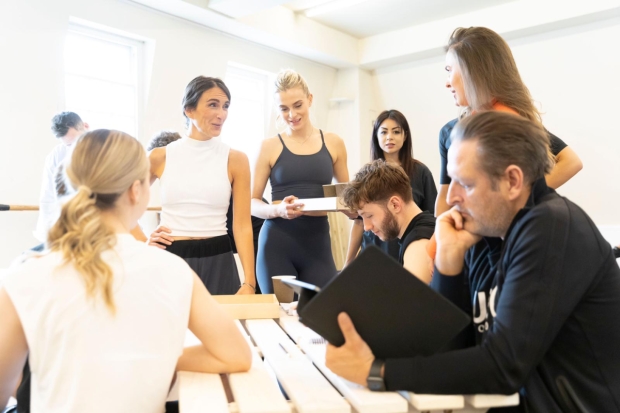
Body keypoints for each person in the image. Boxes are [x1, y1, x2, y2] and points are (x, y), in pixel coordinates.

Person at [325, 112, 620, 413]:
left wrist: (376, 372)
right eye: (451, 180)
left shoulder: (551, 226)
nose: (451, 196)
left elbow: (502, 367)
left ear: (513, 181)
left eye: (464, 183)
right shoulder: (481, 234)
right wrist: (449, 267)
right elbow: (450, 349)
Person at [0, 129, 251, 412]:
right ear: (135, 191)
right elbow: (236, 355)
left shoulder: (24, 275)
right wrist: (161, 359)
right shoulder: (174, 272)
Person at [435, 26, 582, 216]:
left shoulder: (504, 124)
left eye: (450, 70)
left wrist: (518, 202)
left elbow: (571, 162)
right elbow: (446, 196)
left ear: (473, 71)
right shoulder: (455, 129)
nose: (447, 82)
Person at [148, 76, 256, 295]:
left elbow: (242, 225)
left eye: (225, 106)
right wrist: (143, 240)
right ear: (189, 110)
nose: (221, 114)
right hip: (172, 258)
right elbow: (121, 204)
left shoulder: (236, 159)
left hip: (219, 259)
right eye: (213, 105)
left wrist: (250, 282)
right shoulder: (159, 157)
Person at [251, 69, 349, 293]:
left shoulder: (334, 143)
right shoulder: (268, 147)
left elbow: (347, 198)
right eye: (283, 108)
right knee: (280, 320)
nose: (291, 114)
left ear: (310, 99)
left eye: (297, 105)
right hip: (277, 245)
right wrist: (278, 211)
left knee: (320, 317)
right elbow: (251, 202)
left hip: (318, 246)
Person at [344, 110, 436, 266]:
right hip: (374, 252)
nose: (389, 137)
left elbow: (432, 218)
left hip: (407, 249)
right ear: (376, 136)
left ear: (405, 136)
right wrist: (348, 262)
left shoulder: (421, 172)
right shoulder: (367, 175)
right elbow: (360, 223)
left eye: (396, 132)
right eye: (384, 132)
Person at [341, 160, 435, 283]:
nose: (366, 227)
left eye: (369, 215)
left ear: (395, 205)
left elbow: (410, 301)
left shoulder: (419, 245)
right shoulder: (417, 231)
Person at [33, 112, 88, 245]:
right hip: (70, 227)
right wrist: (48, 235)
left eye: (76, 141)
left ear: (86, 126)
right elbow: (48, 197)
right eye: (69, 145)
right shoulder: (56, 156)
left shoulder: (107, 148)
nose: (74, 148)